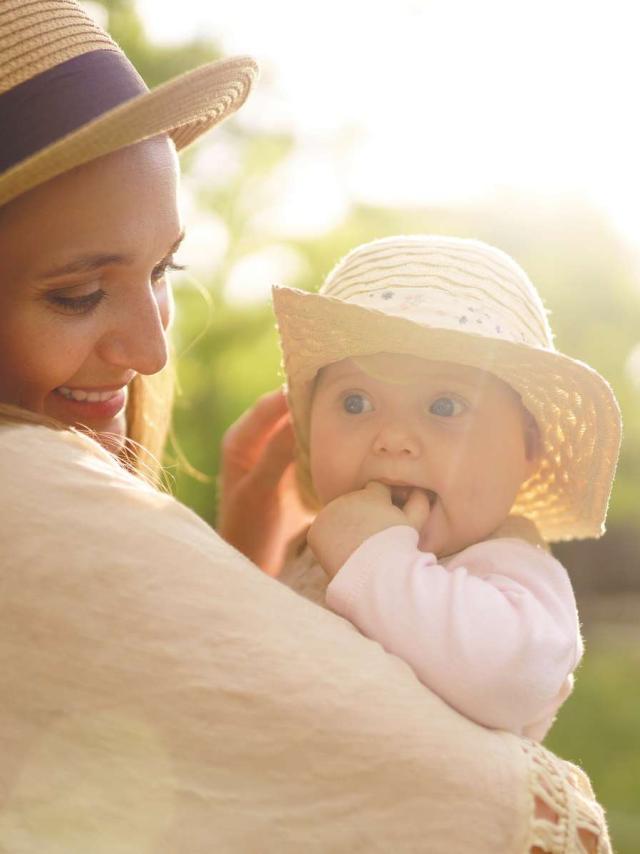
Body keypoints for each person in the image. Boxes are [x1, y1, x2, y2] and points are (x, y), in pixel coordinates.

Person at [0, 2, 610, 851]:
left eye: (164, 268)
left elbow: (495, 680)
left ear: (527, 454)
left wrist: (244, 558)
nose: (150, 350)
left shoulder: (504, 567)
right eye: (77, 293)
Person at [270, 235, 622, 742]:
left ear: (526, 448)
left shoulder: (512, 569)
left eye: (444, 407)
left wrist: (373, 558)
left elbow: (508, 679)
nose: (392, 438)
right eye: (354, 403)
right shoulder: (309, 552)